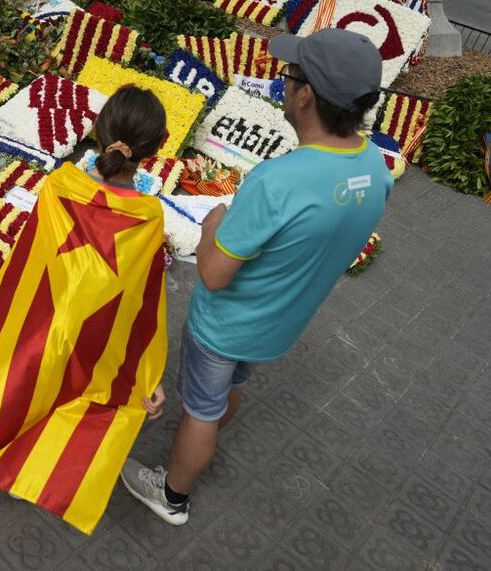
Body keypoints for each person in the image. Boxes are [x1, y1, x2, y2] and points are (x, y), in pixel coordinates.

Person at [120, 28, 393, 526]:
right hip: (279, 325)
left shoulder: (279, 180)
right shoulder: (374, 167)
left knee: (201, 409)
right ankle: (204, 435)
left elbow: (214, 273)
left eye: (290, 76)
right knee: (231, 386)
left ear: (306, 94)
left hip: (225, 325)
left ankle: (172, 496)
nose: (284, 84)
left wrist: (211, 225)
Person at [0, 85, 173, 534]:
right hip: (94, 334)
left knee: (13, 391)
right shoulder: (147, 216)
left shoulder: (59, 186)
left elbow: (29, 260)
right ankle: (44, 470)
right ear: (159, 146)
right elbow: (143, 300)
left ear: (95, 129)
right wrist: (147, 374)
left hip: (42, 319)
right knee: (78, 401)